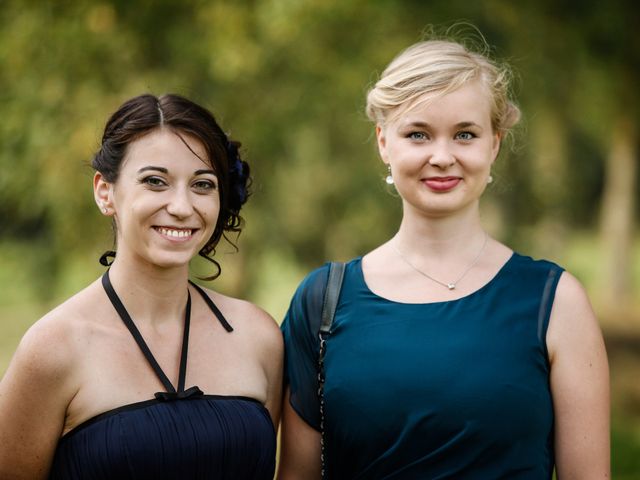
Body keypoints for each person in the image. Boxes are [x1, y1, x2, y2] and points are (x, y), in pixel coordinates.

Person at [278, 36, 610, 479]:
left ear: (494, 144)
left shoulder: (556, 302)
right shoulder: (322, 301)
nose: (441, 156)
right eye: (418, 134)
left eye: (465, 135)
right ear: (383, 143)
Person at [0, 93, 283, 479]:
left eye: (202, 184)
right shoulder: (53, 349)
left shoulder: (258, 336)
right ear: (105, 192)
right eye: (155, 181)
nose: (182, 206)